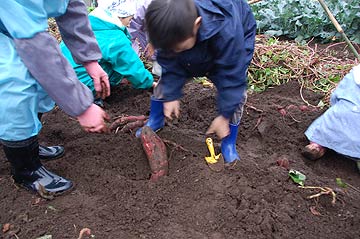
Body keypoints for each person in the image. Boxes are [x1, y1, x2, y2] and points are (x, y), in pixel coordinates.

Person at [0, 0, 111, 195]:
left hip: (20, 28)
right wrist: (82, 107)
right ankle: (27, 170)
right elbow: (35, 44)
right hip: (11, 29)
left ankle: (30, 146)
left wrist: (90, 61)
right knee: (15, 87)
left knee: (40, 84)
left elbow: (72, 9)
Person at [136, 0, 257, 166]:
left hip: (231, 46)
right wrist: (171, 94)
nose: (173, 50)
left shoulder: (227, 31)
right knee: (166, 81)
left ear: (196, 24)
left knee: (237, 96)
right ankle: (156, 120)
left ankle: (228, 142)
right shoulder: (168, 23)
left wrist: (224, 115)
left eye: (177, 47)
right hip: (194, 39)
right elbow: (169, 60)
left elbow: (232, 75)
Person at [61, 0, 155, 108]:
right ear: (120, 17)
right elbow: (130, 64)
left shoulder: (82, 27)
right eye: (129, 19)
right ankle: (93, 100)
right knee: (118, 64)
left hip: (60, 79)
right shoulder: (115, 38)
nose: (129, 23)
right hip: (81, 86)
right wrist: (150, 83)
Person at [302, 64, 360, 172]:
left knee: (327, 123)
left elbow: (335, 98)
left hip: (336, 124)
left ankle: (316, 146)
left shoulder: (355, 74)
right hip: (357, 145)